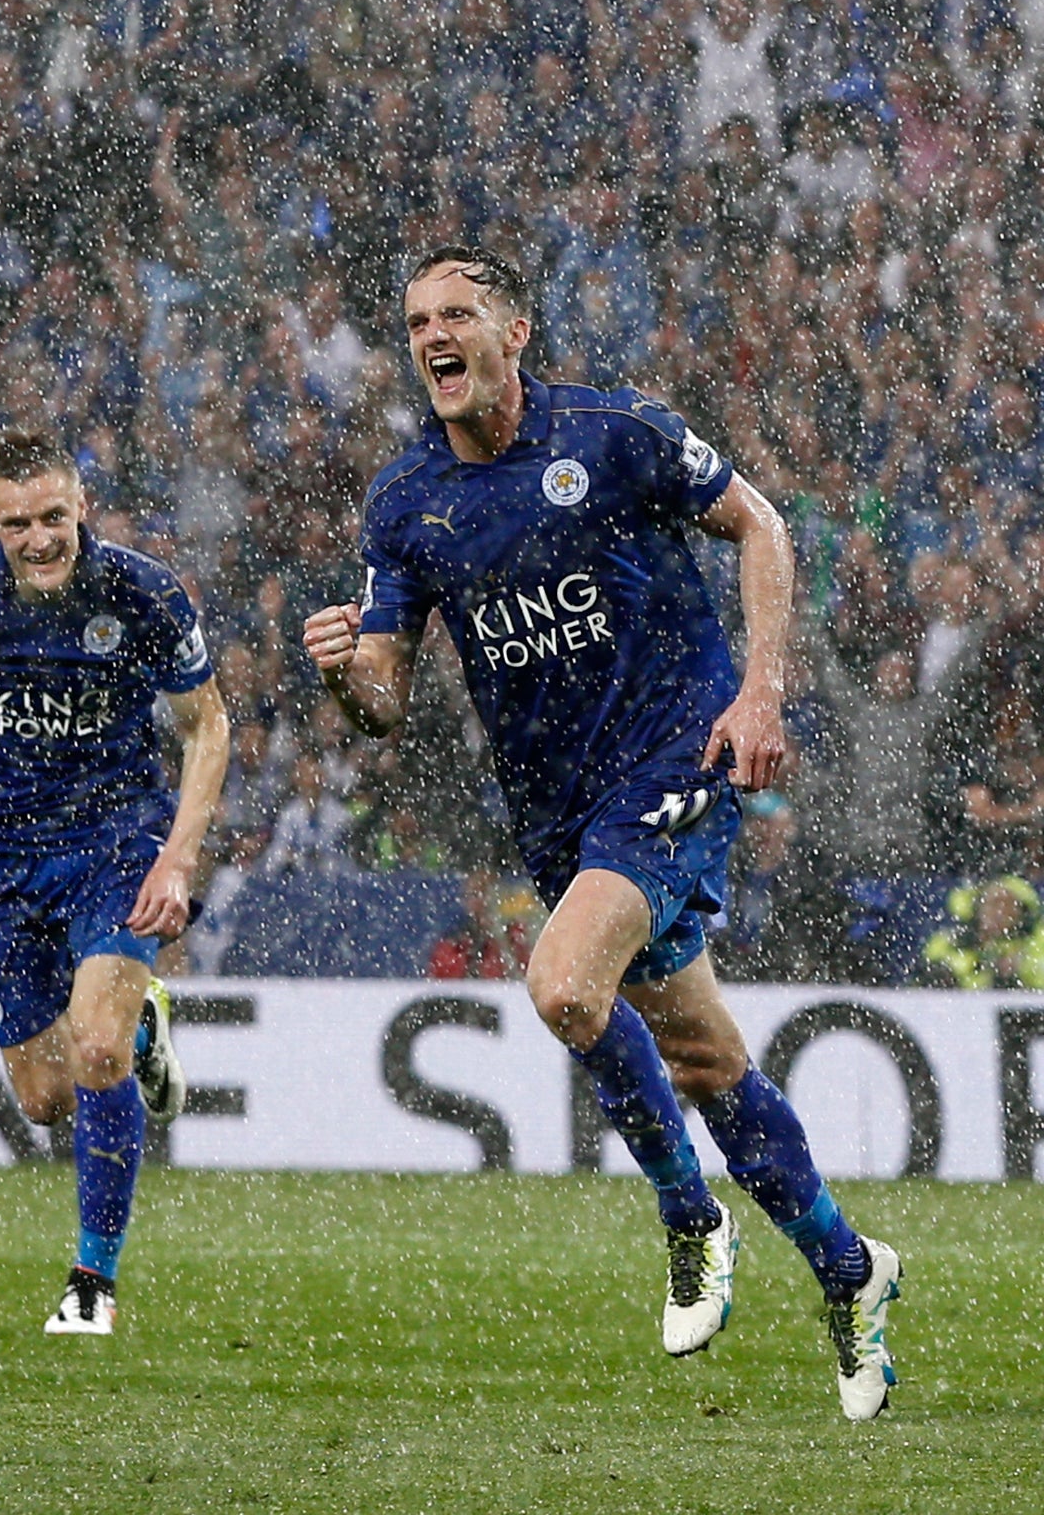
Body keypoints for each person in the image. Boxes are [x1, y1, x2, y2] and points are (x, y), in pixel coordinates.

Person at [302, 246, 902, 1421]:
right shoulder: (403, 503)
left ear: (513, 331)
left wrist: (760, 694)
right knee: (705, 1062)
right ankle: (847, 1266)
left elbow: (761, 528)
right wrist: (339, 674)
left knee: (566, 987)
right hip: (557, 810)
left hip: (677, 758)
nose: (435, 334)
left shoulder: (612, 435)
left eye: (458, 312)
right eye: (418, 318)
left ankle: (690, 1219)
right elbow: (383, 700)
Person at [0, 429, 230, 1334]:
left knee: (96, 1051)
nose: (38, 539)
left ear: (85, 509)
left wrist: (177, 857)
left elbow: (208, 726)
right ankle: (145, 1026)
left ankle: (91, 1283)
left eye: (54, 518)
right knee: (43, 1101)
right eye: (16, 523)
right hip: (1, 856)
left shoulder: (143, 594)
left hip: (115, 841)